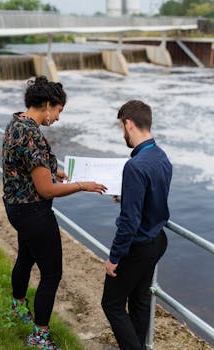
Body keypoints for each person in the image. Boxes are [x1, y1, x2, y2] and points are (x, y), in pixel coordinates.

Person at [2, 75, 107, 350]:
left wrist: (57, 172)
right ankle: (39, 337)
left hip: (15, 206)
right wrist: (81, 184)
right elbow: (46, 190)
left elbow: (28, 167)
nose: (58, 118)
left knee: (25, 259)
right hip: (34, 212)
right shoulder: (33, 135)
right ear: (48, 104)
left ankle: (17, 308)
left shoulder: (17, 123)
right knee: (51, 274)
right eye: (59, 111)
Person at [101, 100, 172, 350]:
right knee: (140, 299)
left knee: (111, 303)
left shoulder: (134, 165)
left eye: (121, 126)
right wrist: (129, 195)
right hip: (158, 240)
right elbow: (155, 195)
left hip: (137, 247)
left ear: (128, 124)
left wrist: (114, 257)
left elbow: (129, 223)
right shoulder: (161, 157)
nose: (122, 133)